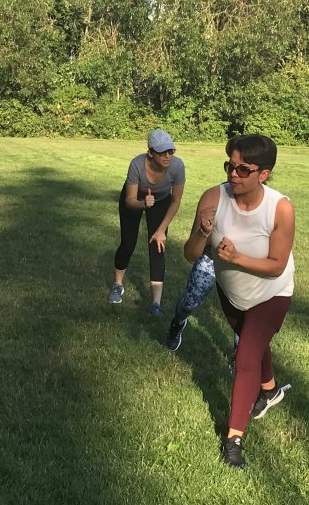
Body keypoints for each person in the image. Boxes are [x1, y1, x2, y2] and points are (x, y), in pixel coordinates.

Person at [184, 134, 294, 468]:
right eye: (229, 165)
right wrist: (203, 232)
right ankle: (271, 390)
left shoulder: (280, 208)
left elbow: (276, 265)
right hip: (232, 294)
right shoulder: (213, 198)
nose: (233, 174)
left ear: (264, 174)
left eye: (243, 169)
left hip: (272, 293)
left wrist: (235, 258)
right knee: (255, 344)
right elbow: (190, 254)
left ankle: (233, 440)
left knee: (245, 356)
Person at [109, 129, 185, 315]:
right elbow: (129, 200)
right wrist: (143, 204)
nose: (168, 156)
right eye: (162, 152)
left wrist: (161, 230)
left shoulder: (177, 166)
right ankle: (118, 285)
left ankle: (156, 303)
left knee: (157, 245)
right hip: (136, 199)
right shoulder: (137, 164)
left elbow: (175, 201)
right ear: (150, 152)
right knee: (128, 244)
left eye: (171, 151)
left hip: (161, 202)